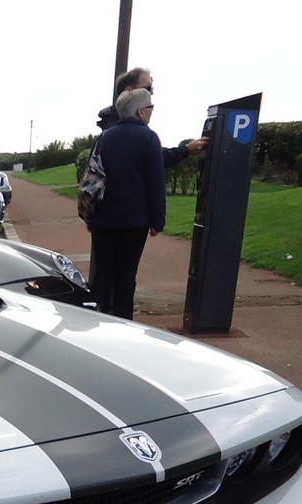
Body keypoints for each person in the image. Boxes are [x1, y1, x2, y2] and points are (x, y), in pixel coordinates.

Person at [88, 88, 165, 320]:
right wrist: (157, 220)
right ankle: (123, 321)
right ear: (141, 112)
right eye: (151, 107)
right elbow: (156, 183)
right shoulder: (148, 138)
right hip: (134, 220)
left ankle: (95, 317)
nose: (152, 112)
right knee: (126, 275)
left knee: (103, 273)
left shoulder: (105, 138)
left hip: (103, 217)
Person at [97, 67, 208, 166]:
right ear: (129, 91)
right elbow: (153, 158)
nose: (151, 93)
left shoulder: (115, 127)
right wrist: (185, 150)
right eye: (147, 88)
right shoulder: (122, 130)